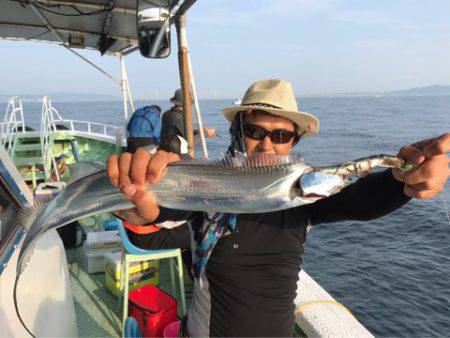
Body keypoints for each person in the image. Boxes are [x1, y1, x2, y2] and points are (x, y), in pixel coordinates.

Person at [108, 79, 449, 337]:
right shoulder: (206, 189)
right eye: (255, 131)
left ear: (294, 142)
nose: (267, 144)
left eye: (281, 135)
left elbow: (361, 198)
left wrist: (403, 179)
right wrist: (136, 197)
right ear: (237, 131)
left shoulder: (300, 195)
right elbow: (152, 219)